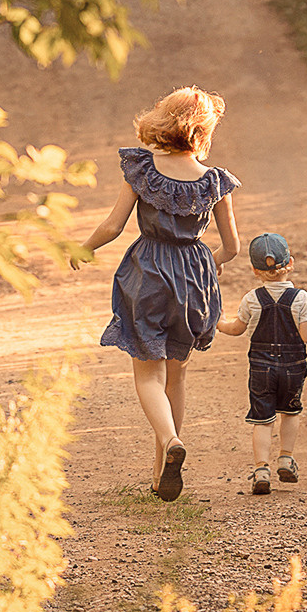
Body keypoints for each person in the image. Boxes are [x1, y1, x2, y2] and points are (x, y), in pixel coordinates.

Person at [76, 86, 238, 501]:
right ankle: (159, 469)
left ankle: (168, 443)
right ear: (203, 131)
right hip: (194, 275)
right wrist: (207, 264)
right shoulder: (215, 181)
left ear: (164, 119)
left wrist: (83, 248)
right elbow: (233, 247)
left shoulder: (143, 170)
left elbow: (113, 226)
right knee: (177, 373)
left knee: (149, 371)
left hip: (148, 272)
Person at [215, 232, 307, 494]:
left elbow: (236, 329)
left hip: (261, 368)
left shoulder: (252, 299)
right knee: (290, 411)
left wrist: (218, 321)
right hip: (293, 367)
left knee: (263, 420)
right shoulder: (301, 298)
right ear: (291, 263)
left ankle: (261, 469)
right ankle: (285, 457)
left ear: (254, 270)